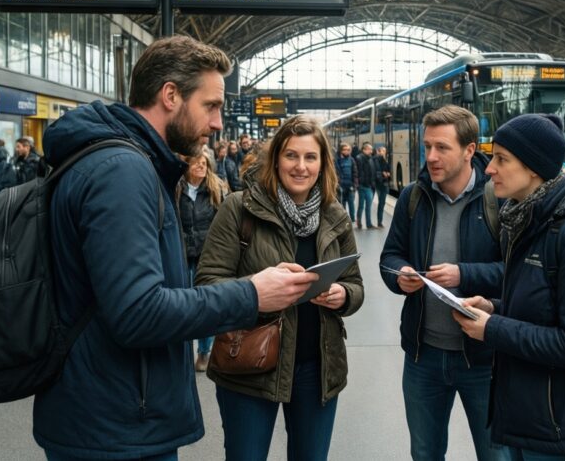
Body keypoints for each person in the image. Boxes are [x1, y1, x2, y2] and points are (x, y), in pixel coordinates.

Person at [34, 35, 318, 460]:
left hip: (106, 414)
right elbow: (137, 313)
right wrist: (253, 293)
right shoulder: (123, 172)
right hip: (118, 426)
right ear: (170, 95)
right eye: (211, 105)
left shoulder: (121, 161)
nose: (219, 122)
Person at [454, 113, 565, 461]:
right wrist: (494, 307)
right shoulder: (526, 219)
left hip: (561, 435)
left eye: (502, 159)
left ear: (533, 168)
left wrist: (492, 329)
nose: (489, 169)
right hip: (529, 422)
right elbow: (541, 309)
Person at [196, 115, 364, 461]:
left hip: (318, 369)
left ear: (322, 163)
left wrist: (343, 295)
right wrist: (257, 291)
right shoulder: (239, 209)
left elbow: (355, 284)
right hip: (249, 367)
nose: (300, 166)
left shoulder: (335, 215)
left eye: (310, 157)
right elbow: (208, 284)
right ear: (275, 160)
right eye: (291, 155)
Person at [379, 105, 507, 461]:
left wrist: (464, 274)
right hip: (424, 356)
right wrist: (400, 275)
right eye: (427, 147)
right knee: (425, 452)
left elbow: (517, 273)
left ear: (470, 150)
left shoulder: (499, 199)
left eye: (442, 148)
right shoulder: (414, 197)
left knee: (496, 455)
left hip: (484, 359)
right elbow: (389, 257)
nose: (431, 157)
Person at [178, 151, 226, 372]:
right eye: (196, 162)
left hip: (208, 256)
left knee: (205, 304)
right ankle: (183, 354)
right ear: (186, 166)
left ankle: (204, 352)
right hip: (182, 255)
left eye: (204, 163)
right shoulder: (176, 189)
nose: (200, 166)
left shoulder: (215, 190)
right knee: (183, 306)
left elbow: (224, 223)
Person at [355, 143, 377, 229]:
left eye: (371, 149)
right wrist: (360, 182)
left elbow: (372, 171)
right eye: (369, 149)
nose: (371, 151)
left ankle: (369, 224)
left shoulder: (370, 159)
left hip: (368, 186)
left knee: (368, 205)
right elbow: (359, 171)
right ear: (364, 150)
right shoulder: (359, 158)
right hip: (362, 185)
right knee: (361, 205)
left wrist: (372, 183)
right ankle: (359, 222)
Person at [335, 143, 357, 221]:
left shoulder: (351, 160)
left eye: (348, 150)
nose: (347, 151)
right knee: (342, 205)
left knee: (351, 204)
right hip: (341, 186)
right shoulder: (337, 160)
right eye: (345, 149)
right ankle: (343, 220)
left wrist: (354, 186)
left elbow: (355, 173)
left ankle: (352, 219)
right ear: (341, 150)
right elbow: (335, 173)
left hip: (350, 186)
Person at [374, 144, 391, 228]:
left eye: (384, 151)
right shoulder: (376, 159)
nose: (383, 153)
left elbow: (388, 170)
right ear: (378, 151)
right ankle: (379, 221)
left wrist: (388, 174)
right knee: (381, 203)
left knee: (382, 203)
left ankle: (380, 221)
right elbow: (375, 170)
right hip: (379, 184)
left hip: (385, 183)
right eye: (381, 151)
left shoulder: (386, 160)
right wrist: (382, 173)